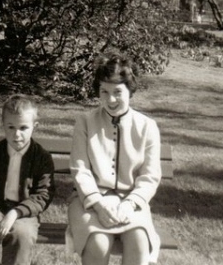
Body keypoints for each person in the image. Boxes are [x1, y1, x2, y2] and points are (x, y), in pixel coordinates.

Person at [67, 53, 162, 265]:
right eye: (104, 92)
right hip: (89, 201)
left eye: (118, 92)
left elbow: (150, 176)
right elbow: (80, 170)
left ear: (130, 90)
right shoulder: (85, 122)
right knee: (98, 243)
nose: (110, 100)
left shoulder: (147, 127)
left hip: (131, 203)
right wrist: (99, 205)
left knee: (139, 241)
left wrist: (130, 204)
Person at [0, 95, 56, 265]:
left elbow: (43, 194)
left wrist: (16, 212)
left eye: (23, 128)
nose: (17, 134)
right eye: (11, 127)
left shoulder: (41, 158)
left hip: (24, 211)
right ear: (3, 125)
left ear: (35, 127)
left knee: (22, 236)